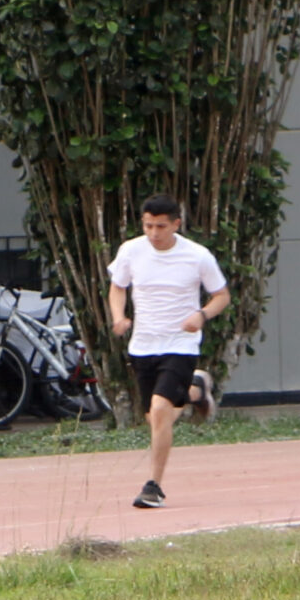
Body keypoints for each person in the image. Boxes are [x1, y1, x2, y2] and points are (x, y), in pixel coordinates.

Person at [109, 195, 230, 512]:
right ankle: (196, 390)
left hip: (180, 344)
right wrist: (118, 317)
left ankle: (153, 487)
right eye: (148, 225)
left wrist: (201, 316)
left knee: (160, 411)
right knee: (154, 418)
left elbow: (221, 295)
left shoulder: (196, 255)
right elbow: (117, 286)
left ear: (176, 224)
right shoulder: (131, 251)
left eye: (160, 226)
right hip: (143, 346)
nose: (153, 233)